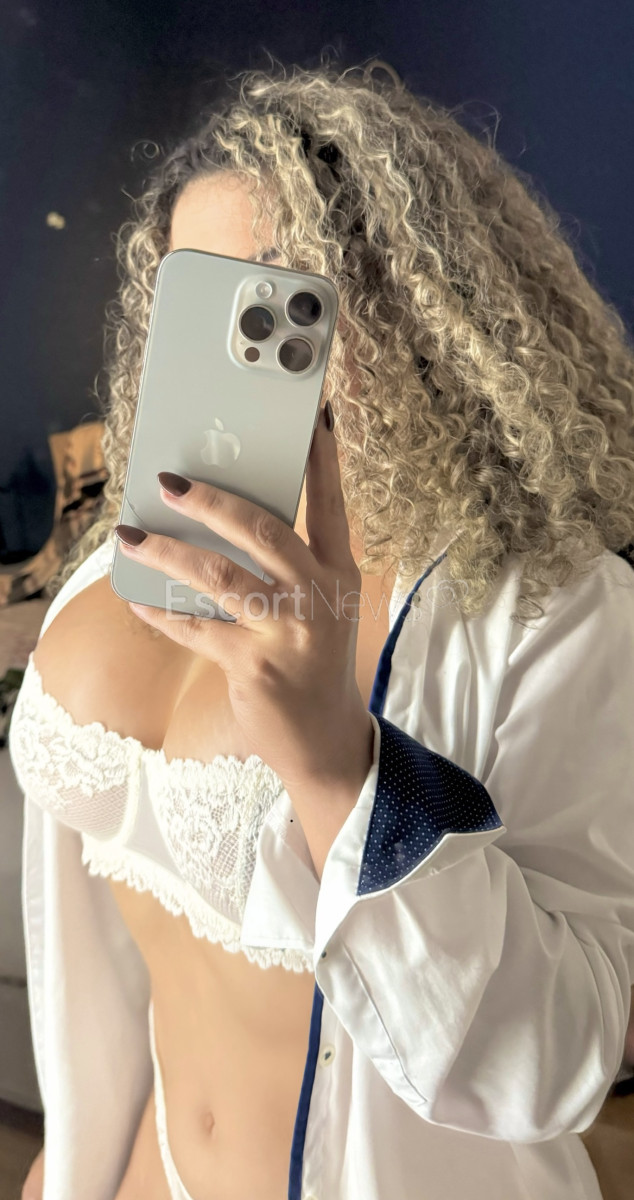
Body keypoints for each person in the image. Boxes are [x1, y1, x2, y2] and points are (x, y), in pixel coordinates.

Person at [12, 56, 634, 1200]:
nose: (244, 349)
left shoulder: (550, 608)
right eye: (203, 297)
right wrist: (76, 1148)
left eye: (290, 298)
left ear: (425, 307)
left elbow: (557, 1061)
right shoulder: (134, 554)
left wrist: (339, 765)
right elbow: (118, 946)